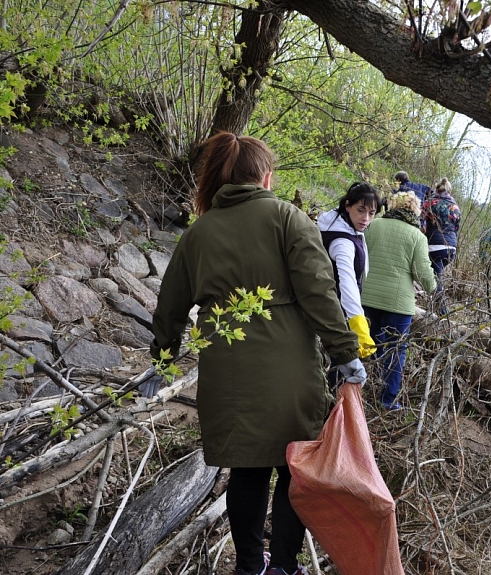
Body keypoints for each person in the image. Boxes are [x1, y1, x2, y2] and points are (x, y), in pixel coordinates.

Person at [150, 132, 366, 575]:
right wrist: (345, 352)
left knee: (246, 471)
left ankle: (249, 566)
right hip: (290, 369)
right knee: (293, 470)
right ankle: (284, 566)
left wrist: (162, 357)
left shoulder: (199, 232)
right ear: (265, 176)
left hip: (226, 370)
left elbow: (170, 304)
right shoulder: (288, 218)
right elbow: (319, 294)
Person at [361, 191, 437, 410]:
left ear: (392, 206)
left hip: (368, 297)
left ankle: (364, 386)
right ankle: (388, 400)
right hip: (398, 302)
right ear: (415, 210)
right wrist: (433, 287)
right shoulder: (417, 236)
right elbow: (423, 271)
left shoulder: (372, 225)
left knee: (369, 342)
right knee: (396, 349)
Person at [317, 182, 382, 387]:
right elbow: (347, 284)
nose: (366, 219)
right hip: (335, 313)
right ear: (347, 206)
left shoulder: (339, 224)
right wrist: (358, 326)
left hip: (324, 306)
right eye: (360, 210)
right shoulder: (342, 242)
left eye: (371, 213)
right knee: (338, 370)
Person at [422, 177, 461, 314]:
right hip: (451, 248)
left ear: (436, 189)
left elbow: (421, 224)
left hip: (435, 246)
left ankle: (441, 311)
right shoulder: (455, 207)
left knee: (436, 278)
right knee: (436, 275)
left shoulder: (429, 203)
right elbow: (456, 228)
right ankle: (435, 305)